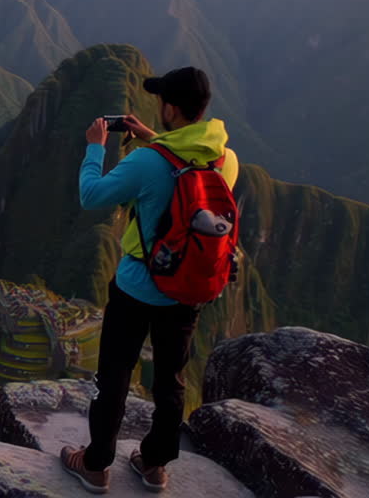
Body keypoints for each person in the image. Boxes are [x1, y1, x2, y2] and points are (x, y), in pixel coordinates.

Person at [60, 67, 239, 494]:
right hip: (189, 288)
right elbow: (184, 175)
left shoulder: (146, 162)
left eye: (161, 101)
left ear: (171, 108)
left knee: (114, 375)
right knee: (171, 380)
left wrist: (95, 149)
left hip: (138, 288)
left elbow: (92, 195)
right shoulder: (224, 159)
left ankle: (96, 464)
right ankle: (155, 464)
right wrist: (154, 139)